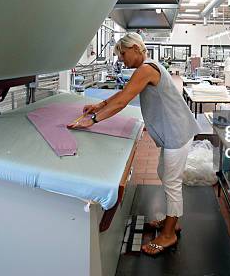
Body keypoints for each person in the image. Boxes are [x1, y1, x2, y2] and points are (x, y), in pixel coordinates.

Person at [67, 32, 200, 256]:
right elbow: (123, 93)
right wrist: (98, 106)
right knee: (164, 174)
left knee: (172, 182)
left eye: (123, 53)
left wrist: (93, 120)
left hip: (178, 132)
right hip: (174, 131)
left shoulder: (147, 69)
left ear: (137, 48)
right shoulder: (145, 68)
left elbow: (122, 101)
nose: (121, 59)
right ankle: (171, 220)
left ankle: (169, 234)